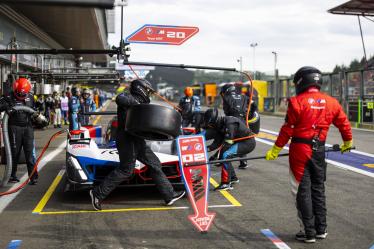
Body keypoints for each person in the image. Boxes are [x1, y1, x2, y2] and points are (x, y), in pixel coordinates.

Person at [265, 66, 353, 243]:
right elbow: (344, 124)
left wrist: (276, 148)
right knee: (318, 189)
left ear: (300, 82)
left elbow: (287, 129)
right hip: (319, 150)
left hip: (300, 151)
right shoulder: (332, 102)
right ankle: (321, 229)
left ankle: (308, 232)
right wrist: (347, 142)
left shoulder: (296, 102)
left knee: (301, 191)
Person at [89, 79, 185, 210]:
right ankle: (97, 193)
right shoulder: (127, 97)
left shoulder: (142, 103)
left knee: (155, 163)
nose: (148, 94)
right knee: (126, 170)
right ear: (141, 89)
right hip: (127, 139)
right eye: (147, 91)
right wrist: (137, 103)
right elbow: (119, 98)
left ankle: (169, 195)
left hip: (137, 139)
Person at [0, 78, 46, 184]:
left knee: (30, 153)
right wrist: (6, 106)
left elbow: (34, 110)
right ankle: (12, 175)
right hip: (14, 127)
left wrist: (40, 112)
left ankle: (33, 177)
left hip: (28, 127)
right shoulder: (7, 96)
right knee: (14, 152)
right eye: (19, 93)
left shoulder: (30, 96)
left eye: (23, 94)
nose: (21, 95)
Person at [203, 108, 256, 191]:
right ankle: (233, 177)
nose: (210, 127)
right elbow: (217, 143)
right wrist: (205, 149)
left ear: (215, 121)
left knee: (225, 155)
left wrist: (216, 155)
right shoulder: (220, 126)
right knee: (224, 156)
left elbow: (227, 143)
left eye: (211, 125)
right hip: (239, 142)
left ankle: (226, 183)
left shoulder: (229, 123)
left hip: (248, 142)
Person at [220, 83, 260, 169]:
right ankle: (243, 162)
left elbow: (226, 112)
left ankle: (222, 159)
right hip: (243, 121)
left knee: (229, 140)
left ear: (226, 91)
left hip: (233, 122)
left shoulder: (226, 98)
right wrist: (249, 114)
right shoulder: (243, 96)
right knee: (243, 139)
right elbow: (254, 104)